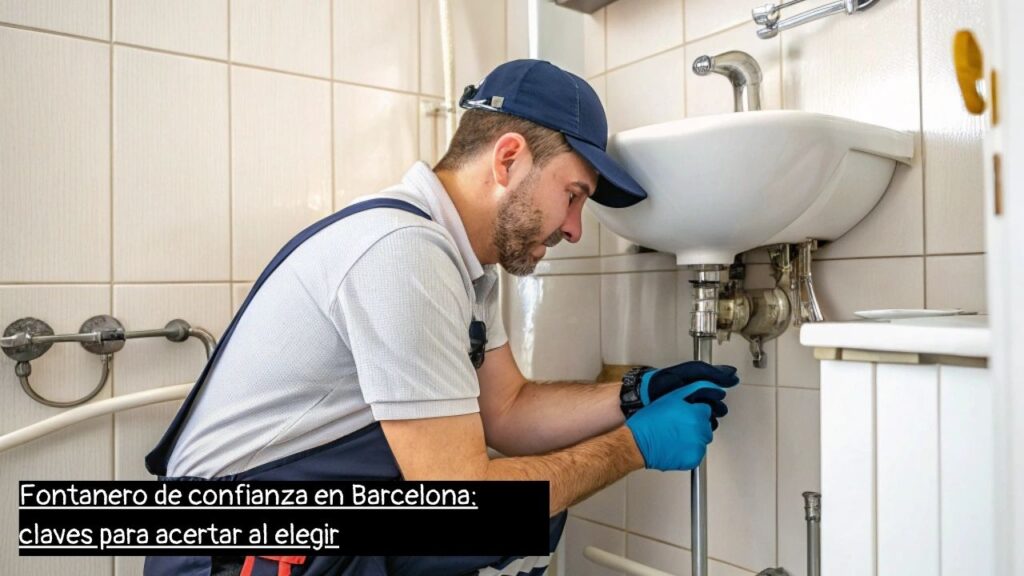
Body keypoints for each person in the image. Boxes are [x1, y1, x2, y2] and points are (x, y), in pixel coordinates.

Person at [142, 59, 739, 576]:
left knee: (534, 521)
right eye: (573, 195)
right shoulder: (402, 250)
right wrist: (631, 447)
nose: (575, 230)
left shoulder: (464, 264)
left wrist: (633, 396)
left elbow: (506, 411)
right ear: (509, 159)